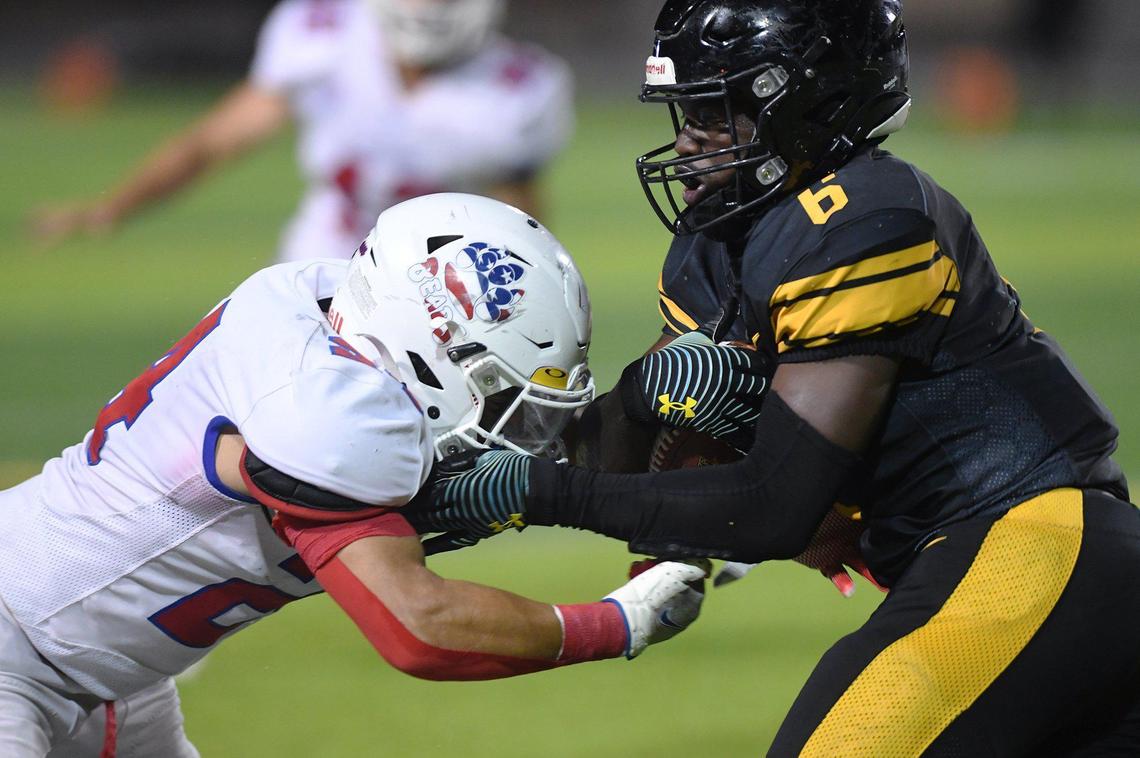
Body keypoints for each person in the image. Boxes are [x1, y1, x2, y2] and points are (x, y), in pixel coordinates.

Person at [407, 2, 1140, 755]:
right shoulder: (720, 240)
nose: (689, 144)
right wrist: (633, 398)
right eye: (685, 113)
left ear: (809, 107)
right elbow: (636, 453)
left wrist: (537, 493)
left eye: (718, 116)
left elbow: (772, 509)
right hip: (1001, 569)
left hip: (1042, 551)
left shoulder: (865, 218)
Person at [0, 193, 706, 757]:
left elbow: (513, 477)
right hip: (17, 652)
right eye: (502, 397)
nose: (523, 437)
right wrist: (617, 623)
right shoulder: (327, 415)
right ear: (426, 355)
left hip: (107, 674)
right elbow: (420, 625)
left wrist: (683, 501)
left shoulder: (330, 316)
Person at [29, 0, 573, 263]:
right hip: (321, 256)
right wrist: (116, 205)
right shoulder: (327, 32)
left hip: (435, 275)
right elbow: (216, 140)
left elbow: (519, 216)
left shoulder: (521, 85)